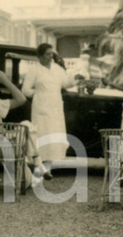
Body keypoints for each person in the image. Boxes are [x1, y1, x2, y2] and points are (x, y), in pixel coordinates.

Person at [22, 42, 80, 175]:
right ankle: (39, 165)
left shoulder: (57, 69)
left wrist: (75, 80)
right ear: (40, 56)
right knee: (41, 135)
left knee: (54, 134)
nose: (51, 56)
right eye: (48, 54)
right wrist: (38, 94)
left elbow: (65, 83)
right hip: (41, 108)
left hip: (55, 108)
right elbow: (25, 90)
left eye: (51, 54)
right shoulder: (34, 70)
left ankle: (49, 166)